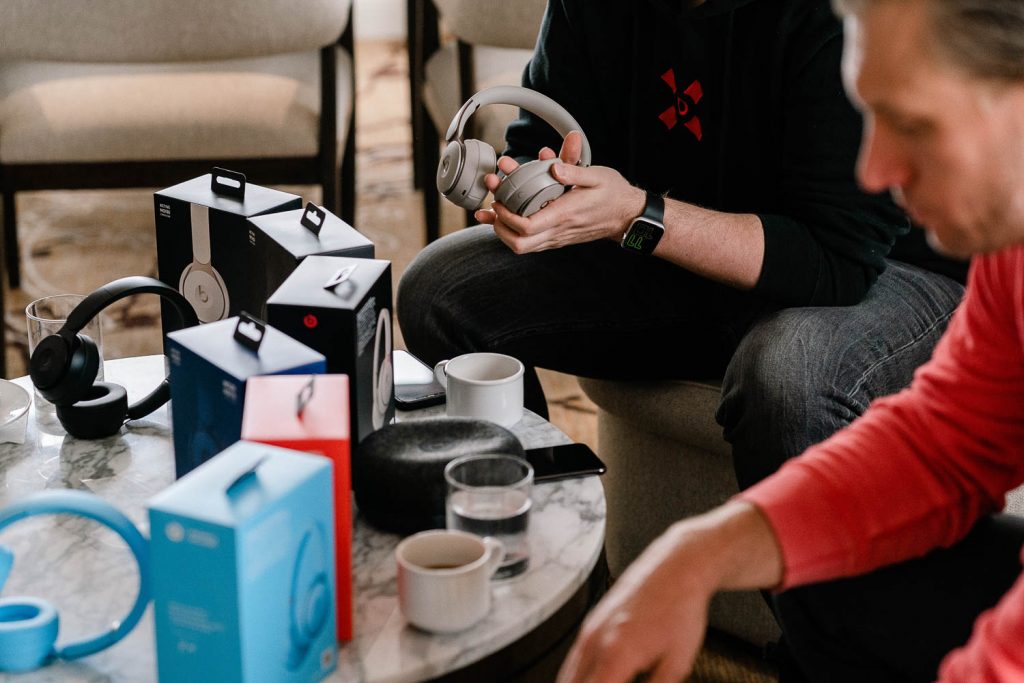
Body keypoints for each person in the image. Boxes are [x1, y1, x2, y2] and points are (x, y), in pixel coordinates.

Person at [555, 0, 1024, 680]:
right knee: (827, 579)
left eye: (910, 123)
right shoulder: (1010, 251)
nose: (873, 172)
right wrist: (697, 555)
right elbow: (942, 446)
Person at [398, 0, 965, 498]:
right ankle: (537, 523)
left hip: (879, 271)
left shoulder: (834, 17)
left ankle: (803, 594)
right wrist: (536, 189)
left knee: (786, 376)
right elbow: (538, 140)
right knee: (437, 293)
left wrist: (634, 215)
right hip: (677, 255)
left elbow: (836, 259)